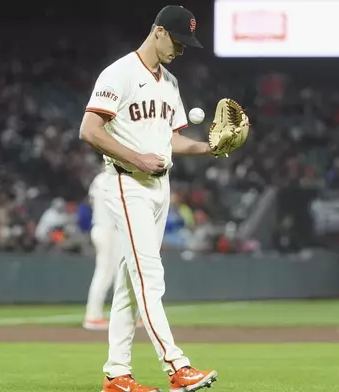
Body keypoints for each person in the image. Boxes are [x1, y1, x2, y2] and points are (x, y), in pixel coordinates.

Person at [79, 5, 218, 392]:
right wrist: (136, 156)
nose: (181, 48)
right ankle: (177, 366)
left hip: (160, 188)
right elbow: (89, 129)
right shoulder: (119, 73)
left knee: (128, 283)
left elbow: (171, 140)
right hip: (127, 183)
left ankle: (117, 375)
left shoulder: (170, 82)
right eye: (177, 39)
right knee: (148, 276)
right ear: (157, 31)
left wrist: (210, 147)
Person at [82, 170, 118, 330]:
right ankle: (93, 316)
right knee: (105, 273)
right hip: (107, 229)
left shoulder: (99, 179)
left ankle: (125, 316)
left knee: (118, 272)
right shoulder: (111, 179)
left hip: (102, 227)